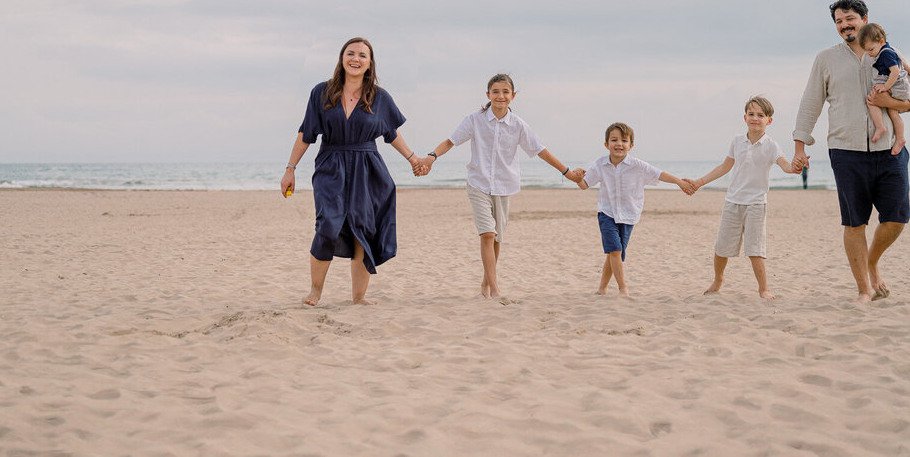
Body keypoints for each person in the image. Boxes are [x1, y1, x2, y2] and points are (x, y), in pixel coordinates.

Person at [792, 0, 910, 303]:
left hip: (889, 150)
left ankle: (872, 262)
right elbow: (811, 102)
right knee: (854, 223)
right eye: (838, 21)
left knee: (898, 216)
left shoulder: (889, 52)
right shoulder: (826, 58)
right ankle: (864, 288)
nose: (844, 25)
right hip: (846, 151)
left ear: (864, 19)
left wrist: (889, 102)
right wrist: (800, 145)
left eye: (850, 19)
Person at [281, 37, 424, 306]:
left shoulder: (379, 97)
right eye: (351, 53)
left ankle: (358, 298)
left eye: (362, 55)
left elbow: (390, 133)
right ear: (342, 58)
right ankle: (315, 291)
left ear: (370, 63)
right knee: (327, 224)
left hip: (367, 167)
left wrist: (413, 158)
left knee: (363, 229)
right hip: (330, 164)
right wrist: (290, 169)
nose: (355, 59)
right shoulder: (321, 92)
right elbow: (307, 132)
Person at [416, 74, 584, 298]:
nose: (500, 96)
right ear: (488, 95)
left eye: (505, 92)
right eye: (495, 92)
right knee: (487, 234)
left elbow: (541, 151)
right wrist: (431, 157)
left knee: (496, 238)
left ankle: (486, 284)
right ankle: (495, 290)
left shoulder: (518, 125)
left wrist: (568, 173)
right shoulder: (475, 120)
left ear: (512, 96)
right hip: (478, 184)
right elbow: (450, 141)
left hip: (504, 186)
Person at [573, 122, 697, 296]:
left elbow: (659, 174)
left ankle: (602, 288)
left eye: (624, 140)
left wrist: (679, 182)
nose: (619, 144)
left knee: (613, 254)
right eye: (614, 140)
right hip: (606, 213)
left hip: (629, 215)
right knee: (615, 250)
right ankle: (623, 288)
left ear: (631, 145)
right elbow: (585, 184)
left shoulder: (638, 166)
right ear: (606, 144)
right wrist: (577, 177)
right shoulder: (599, 164)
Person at [694, 96, 799, 299]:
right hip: (733, 201)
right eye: (751, 114)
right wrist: (700, 182)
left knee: (755, 250)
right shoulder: (737, 141)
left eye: (760, 115)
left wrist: (796, 168)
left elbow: (785, 165)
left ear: (769, 120)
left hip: (756, 204)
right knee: (721, 247)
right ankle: (718, 279)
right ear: (745, 117)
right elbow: (725, 167)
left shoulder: (771, 145)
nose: (755, 118)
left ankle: (763, 289)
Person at [858, 23, 910, 156]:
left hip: (897, 86)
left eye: (870, 50)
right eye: (866, 51)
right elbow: (901, 61)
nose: (869, 54)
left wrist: (885, 87)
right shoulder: (889, 49)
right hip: (899, 86)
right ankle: (900, 138)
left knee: (872, 100)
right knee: (893, 113)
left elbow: (895, 71)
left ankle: (880, 126)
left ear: (881, 41)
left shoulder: (885, 54)